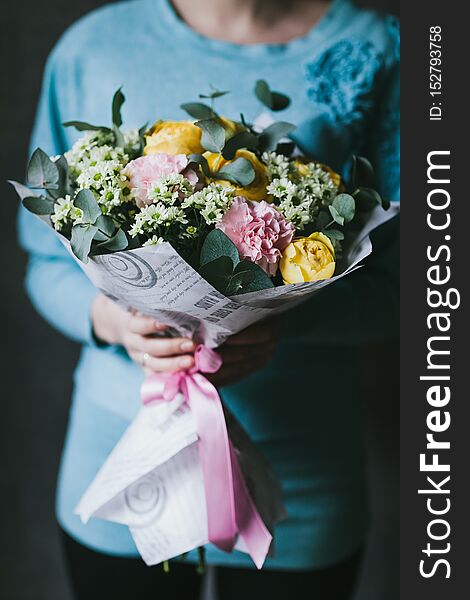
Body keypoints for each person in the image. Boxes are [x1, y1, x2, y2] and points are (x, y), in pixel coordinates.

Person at [18, 0, 400, 598]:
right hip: (122, 460)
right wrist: (113, 322)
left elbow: (410, 288)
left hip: (303, 478)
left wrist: (284, 322)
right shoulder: (90, 46)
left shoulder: (389, 47)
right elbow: (42, 264)